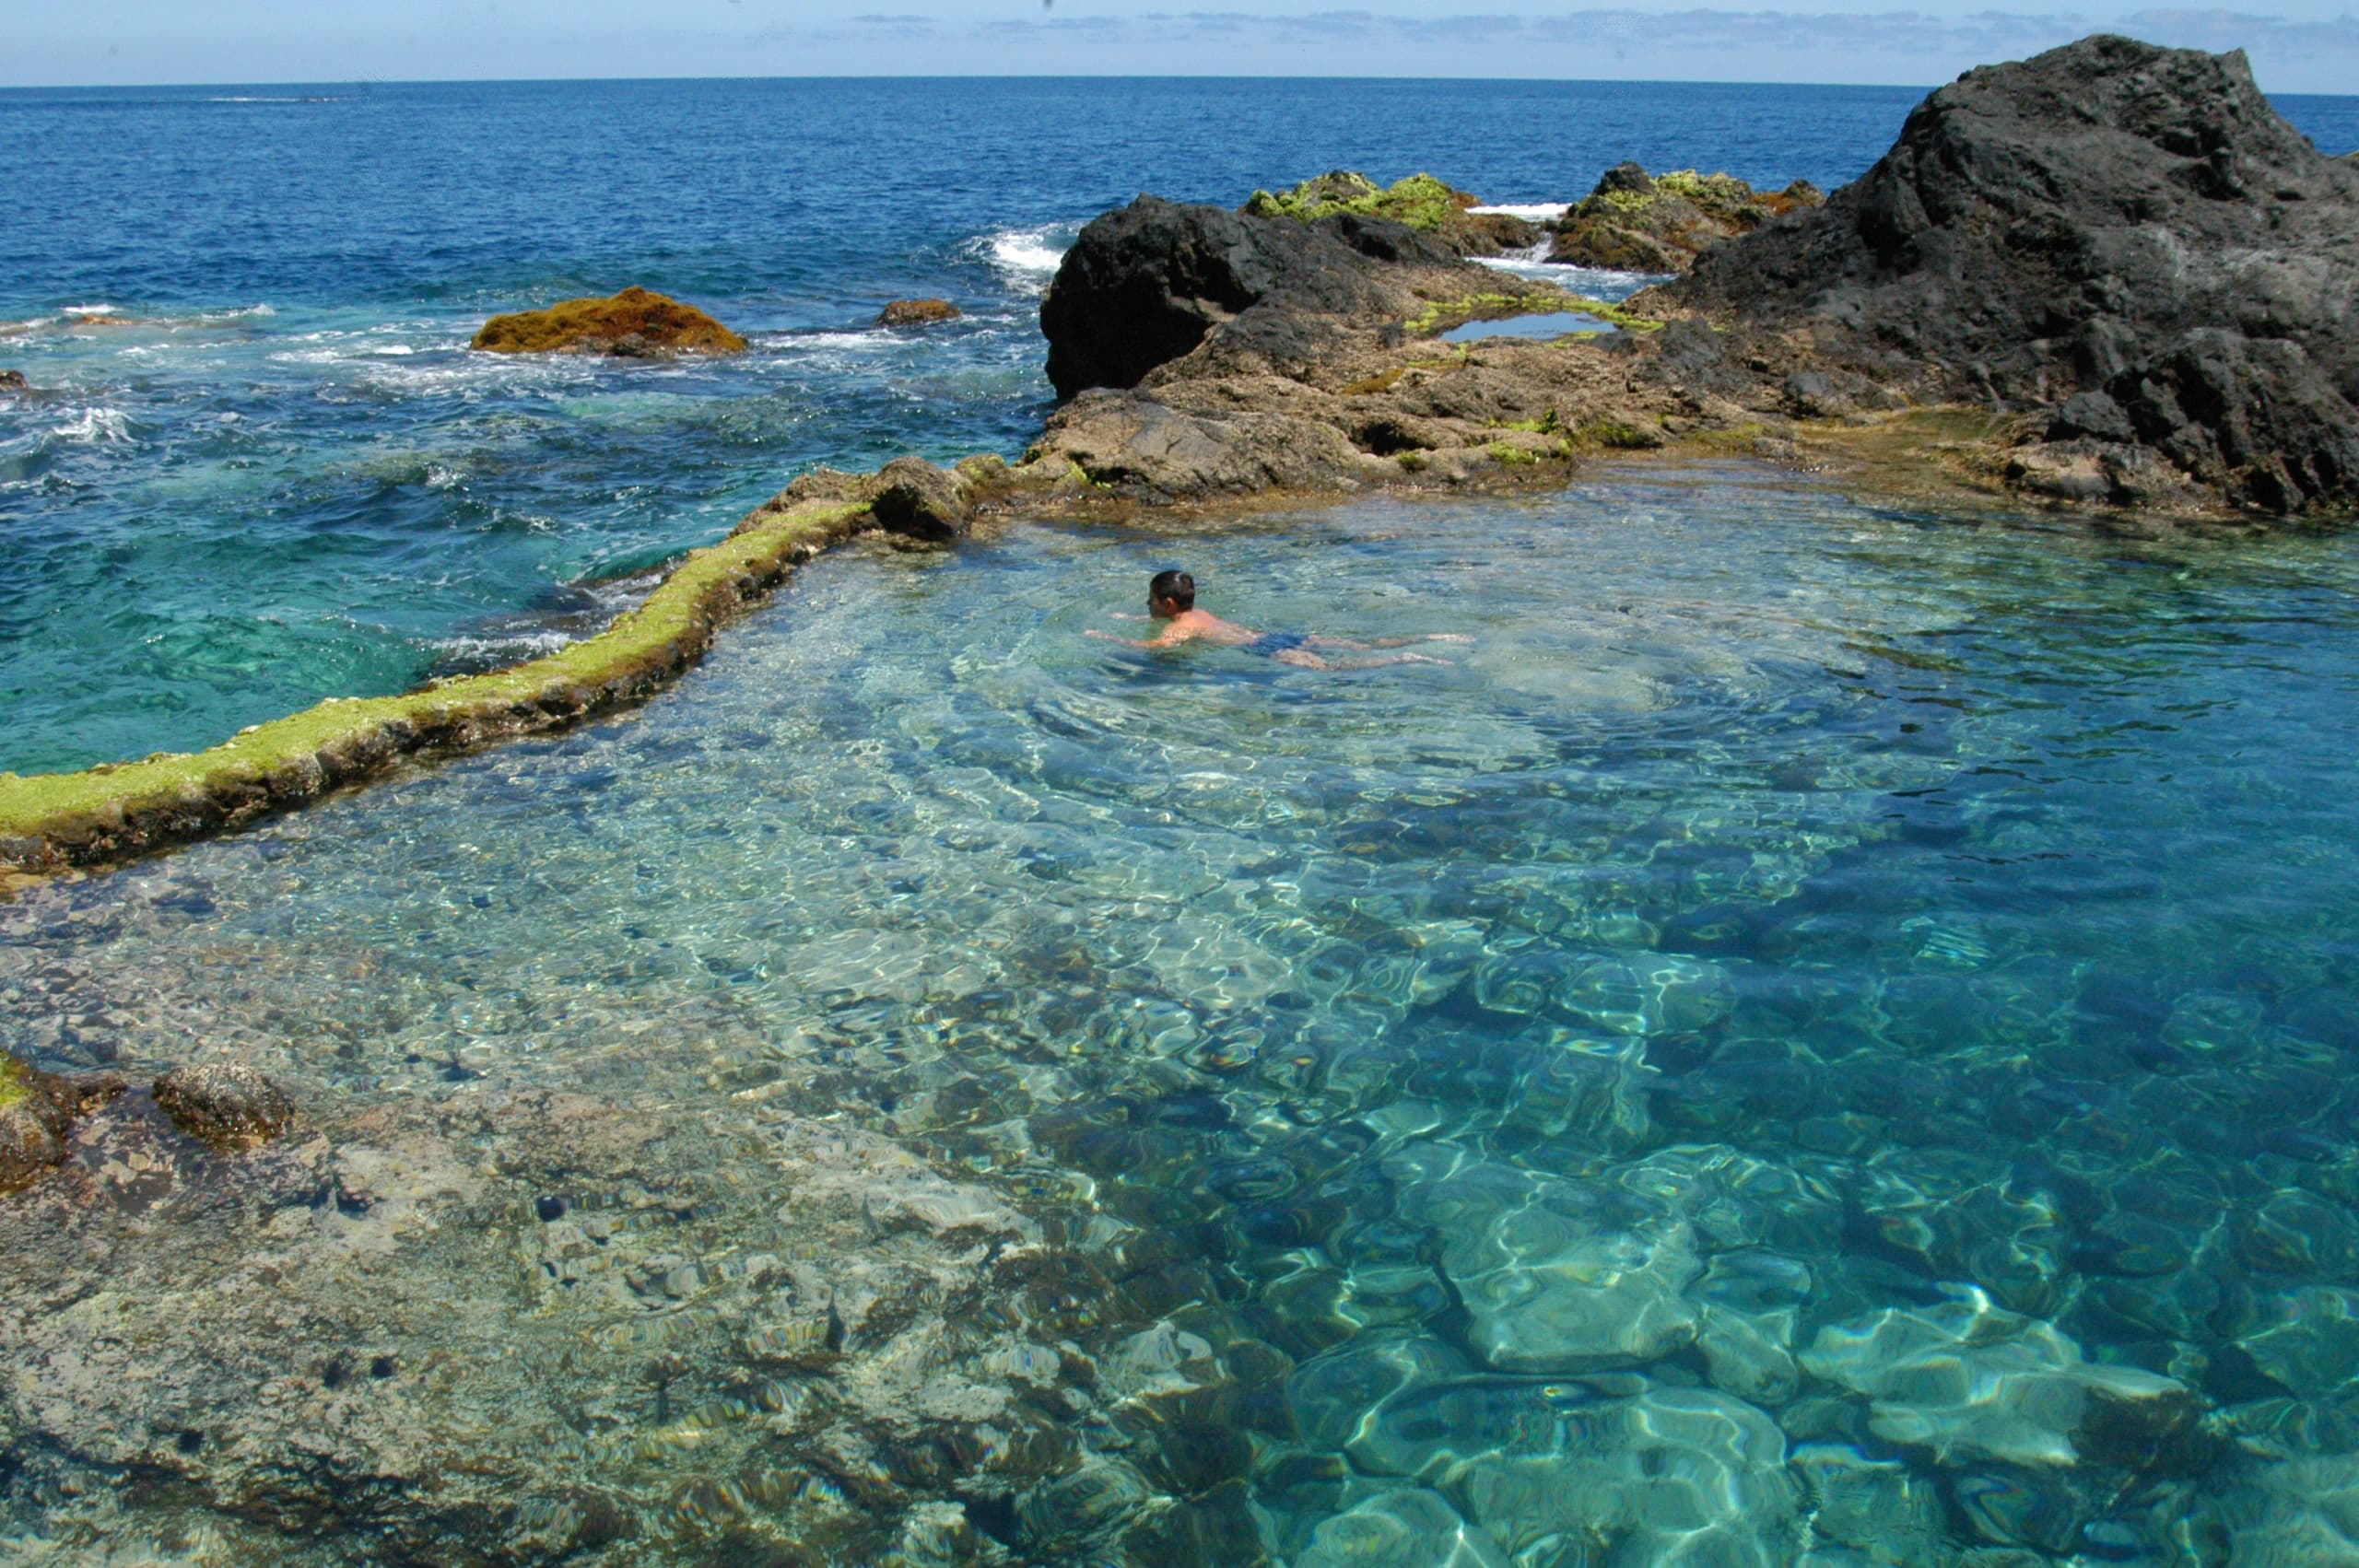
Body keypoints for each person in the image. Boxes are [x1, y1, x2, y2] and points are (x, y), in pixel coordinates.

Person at [1087, 568, 1466, 669]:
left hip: (1267, 651)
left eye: (1151, 601)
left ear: (1168, 604)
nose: (1147, 605)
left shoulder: (1180, 629)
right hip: (1278, 636)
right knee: (1359, 644)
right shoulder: (1198, 614)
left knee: (1338, 669)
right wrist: (1128, 616)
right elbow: (1166, 624)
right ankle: (1435, 638)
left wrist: (1107, 639)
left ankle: (1410, 658)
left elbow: (1153, 646)